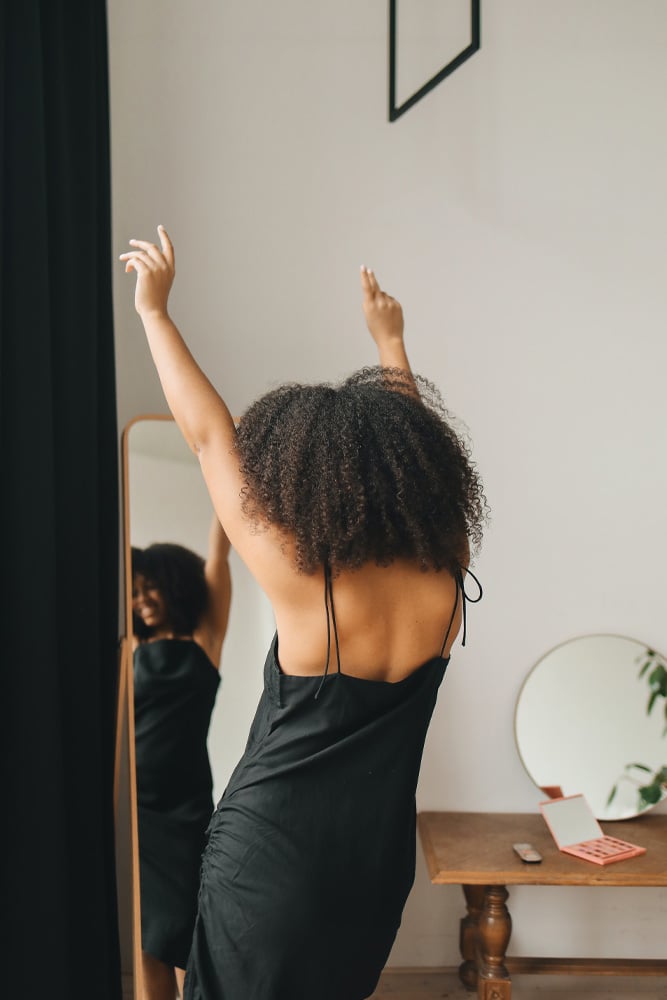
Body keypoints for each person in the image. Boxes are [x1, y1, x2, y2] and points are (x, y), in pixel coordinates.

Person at [121, 227, 486, 1000]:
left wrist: (155, 314)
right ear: (415, 470)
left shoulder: (301, 578)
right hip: (372, 866)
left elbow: (208, 436)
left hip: (272, 856)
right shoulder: (445, 579)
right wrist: (391, 344)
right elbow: (424, 469)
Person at [132, 515, 232, 1000]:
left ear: (175, 587)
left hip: (186, 808)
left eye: (152, 587)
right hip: (136, 811)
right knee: (148, 938)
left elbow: (218, 556)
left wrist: (228, 480)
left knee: (187, 931)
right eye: (135, 590)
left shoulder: (204, 642)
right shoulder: (130, 647)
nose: (142, 599)